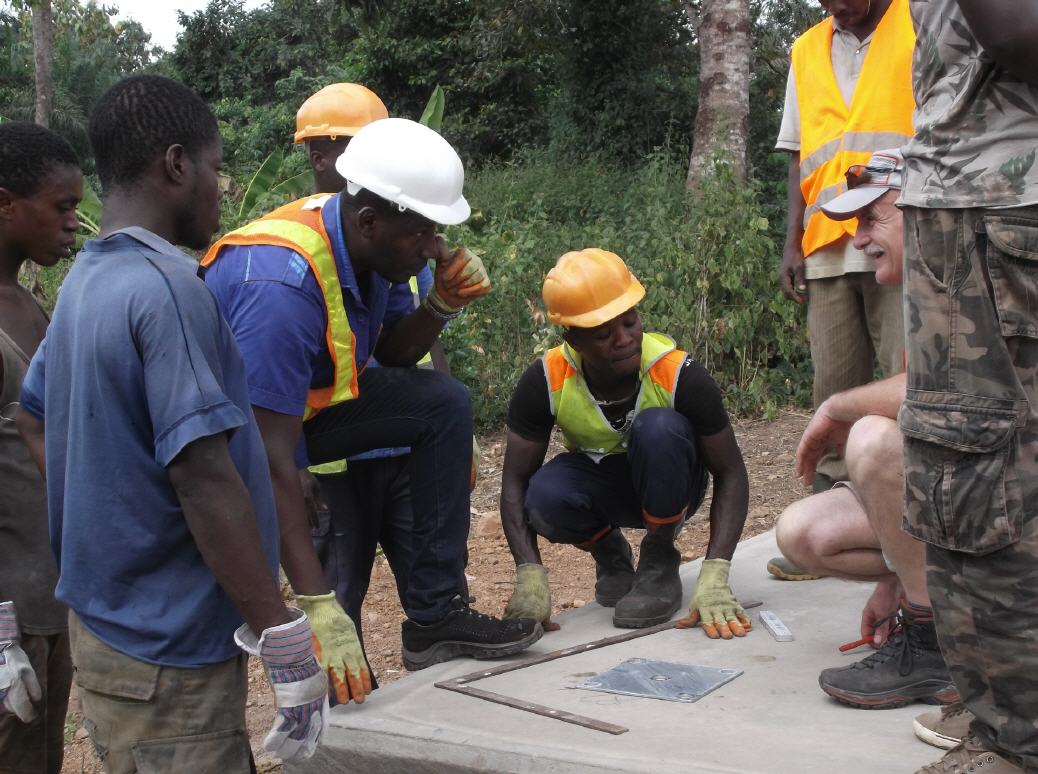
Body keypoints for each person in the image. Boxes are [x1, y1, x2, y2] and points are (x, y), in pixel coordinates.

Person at [15, 75, 327, 772]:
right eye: (217, 168)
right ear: (177, 164)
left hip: (108, 631)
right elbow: (204, 478)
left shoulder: (84, 284)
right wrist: (278, 632)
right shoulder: (168, 289)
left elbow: (34, 421)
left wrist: (109, 531)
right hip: (169, 655)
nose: (221, 187)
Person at [203, 116, 542, 675]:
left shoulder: (372, 251)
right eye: (424, 233)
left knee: (444, 402)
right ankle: (327, 661)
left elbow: (396, 355)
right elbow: (261, 451)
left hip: (297, 417)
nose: (435, 248)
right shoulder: (281, 287)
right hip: (234, 438)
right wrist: (317, 607)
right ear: (368, 221)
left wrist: (441, 305)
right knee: (326, 593)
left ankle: (436, 619)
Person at [899, 3, 1038, 771]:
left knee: (977, 466)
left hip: (996, 197)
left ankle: (1016, 743)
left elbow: (1013, 31)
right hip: (991, 197)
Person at [774, 150, 959, 712]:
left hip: (1008, 496)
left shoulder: (970, 276)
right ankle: (923, 603)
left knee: (872, 439)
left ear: (919, 211)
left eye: (871, 219)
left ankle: (933, 648)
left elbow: (944, 392)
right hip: (961, 490)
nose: (857, 240)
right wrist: (900, 575)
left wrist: (836, 407)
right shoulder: (918, 290)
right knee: (803, 533)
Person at [291, 83, 457, 680]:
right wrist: (296, 469)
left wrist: (441, 308)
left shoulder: (388, 238)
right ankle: (342, 737)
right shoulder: (297, 262)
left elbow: (398, 343)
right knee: (339, 601)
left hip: (392, 446)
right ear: (321, 157)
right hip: (329, 468)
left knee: (432, 592)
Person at [501, 248, 752, 638]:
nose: (625, 339)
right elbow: (514, 481)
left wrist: (716, 570)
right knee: (544, 496)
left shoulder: (679, 374)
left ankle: (659, 558)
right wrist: (529, 574)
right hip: (605, 485)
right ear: (573, 338)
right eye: (603, 334)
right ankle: (610, 553)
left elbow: (731, 471)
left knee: (659, 429)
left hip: (673, 481)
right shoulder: (546, 379)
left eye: (631, 322)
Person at [771, 0, 913, 507]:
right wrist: (791, 240)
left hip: (901, 237)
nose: (838, 8)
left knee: (909, 376)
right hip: (827, 244)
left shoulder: (918, 20)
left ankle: (909, 506)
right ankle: (830, 503)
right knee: (833, 382)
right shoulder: (806, 49)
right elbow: (797, 151)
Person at [0, 122, 80, 774]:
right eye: (61, 207)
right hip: (9, 619)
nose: (73, 223)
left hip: (47, 604)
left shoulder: (27, 304)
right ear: (5, 204)